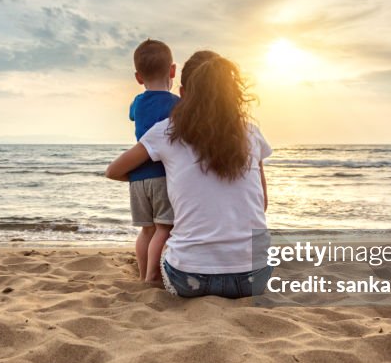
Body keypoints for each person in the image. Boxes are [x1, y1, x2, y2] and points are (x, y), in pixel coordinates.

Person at [106, 52, 272, 298]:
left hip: (190, 279)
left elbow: (113, 171)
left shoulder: (166, 131)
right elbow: (263, 204)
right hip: (254, 277)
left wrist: (170, 178)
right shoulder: (251, 132)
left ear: (182, 94)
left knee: (167, 247)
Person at [126, 39, 181, 284]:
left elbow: (131, 116)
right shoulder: (176, 105)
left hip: (137, 177)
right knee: (163, 229)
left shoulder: (137, 103)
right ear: (173, 71)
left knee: (146, 230)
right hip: (161, 174)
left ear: (138, 77)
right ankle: (152, 276)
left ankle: (142, 273)